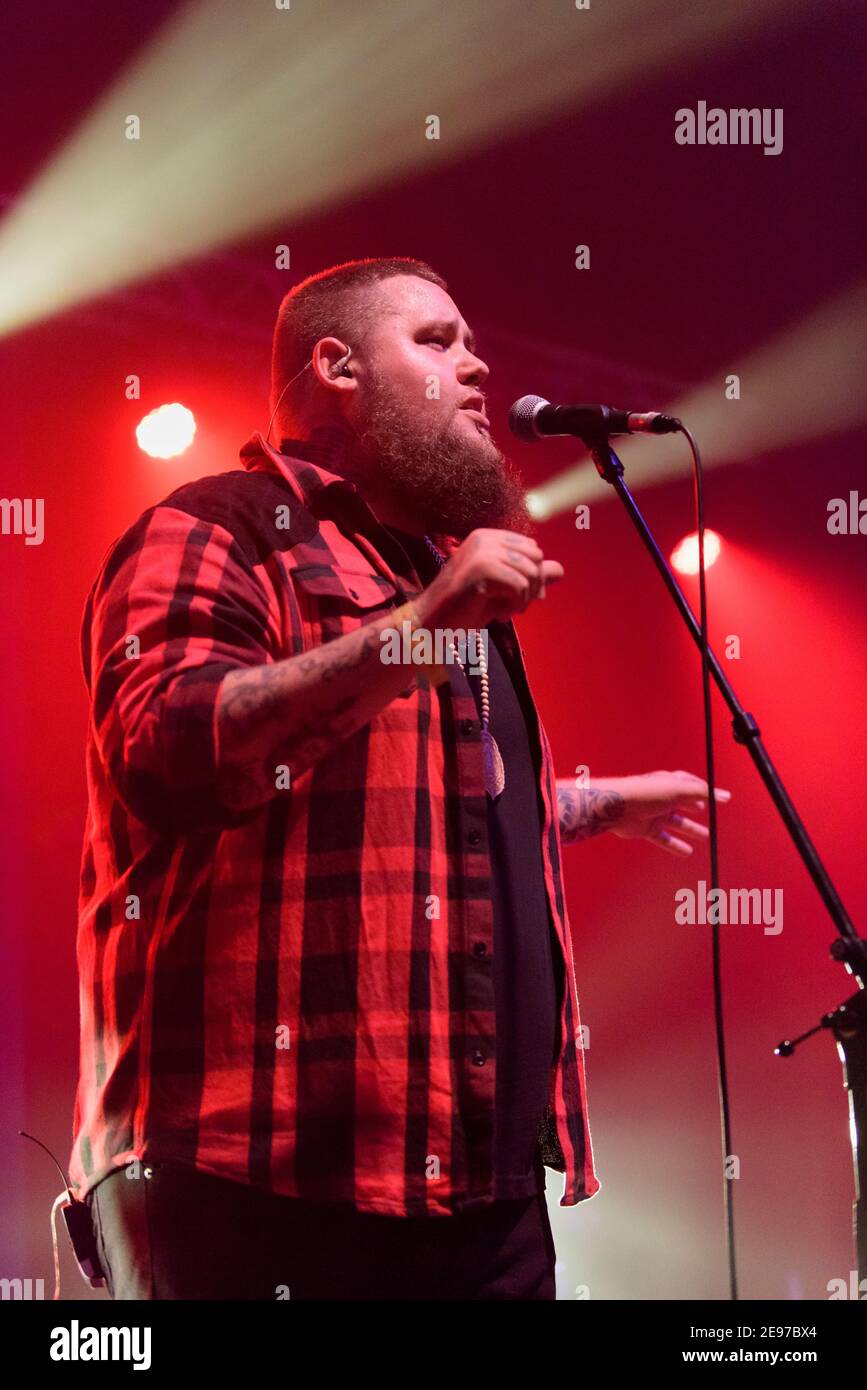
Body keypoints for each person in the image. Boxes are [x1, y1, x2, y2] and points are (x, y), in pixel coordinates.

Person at [70, 256, 729, 1300]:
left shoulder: (431, 575)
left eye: (472, 343)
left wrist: (597, 804)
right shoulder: (218, 527)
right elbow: (169, 747)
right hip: (257, 1173)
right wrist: (420, 631)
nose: (477, 367)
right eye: (437, 340)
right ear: (334, 365)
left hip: (479, 1187)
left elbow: (422, 816)